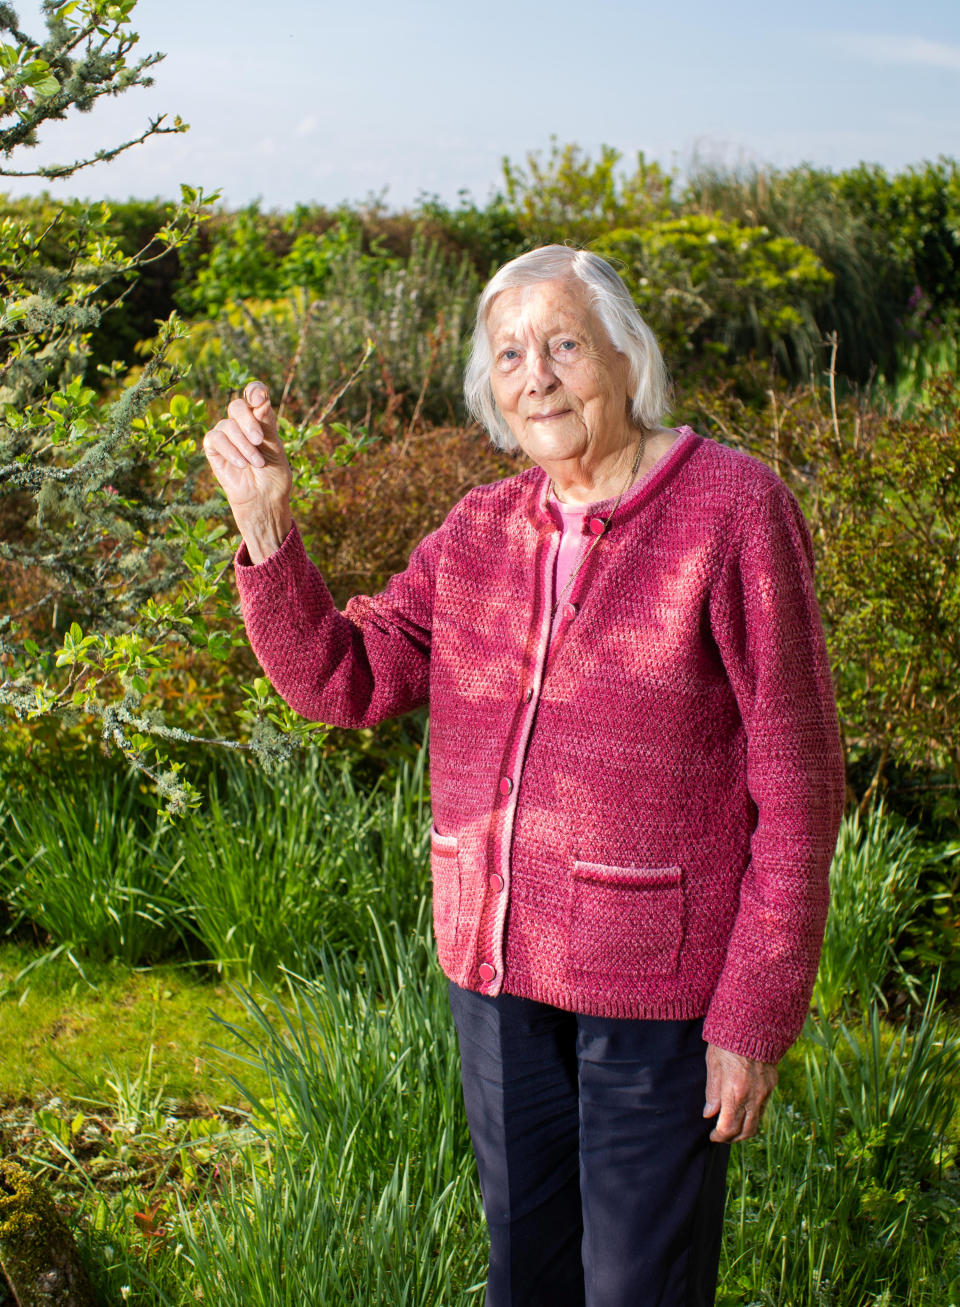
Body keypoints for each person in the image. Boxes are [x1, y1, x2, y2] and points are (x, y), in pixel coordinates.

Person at [203, 244, 845, 1307]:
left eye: (561, 344)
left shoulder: (735, 509)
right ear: (491, 390)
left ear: (626, 359)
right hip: (496, 977)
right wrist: (267, 527)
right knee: (527, 1278)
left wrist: (754, 1013)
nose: (534, 373)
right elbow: (344, 677)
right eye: (509, 353)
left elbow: (798, 777)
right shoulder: (478, 529)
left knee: (638, 1284)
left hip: (657, 991)